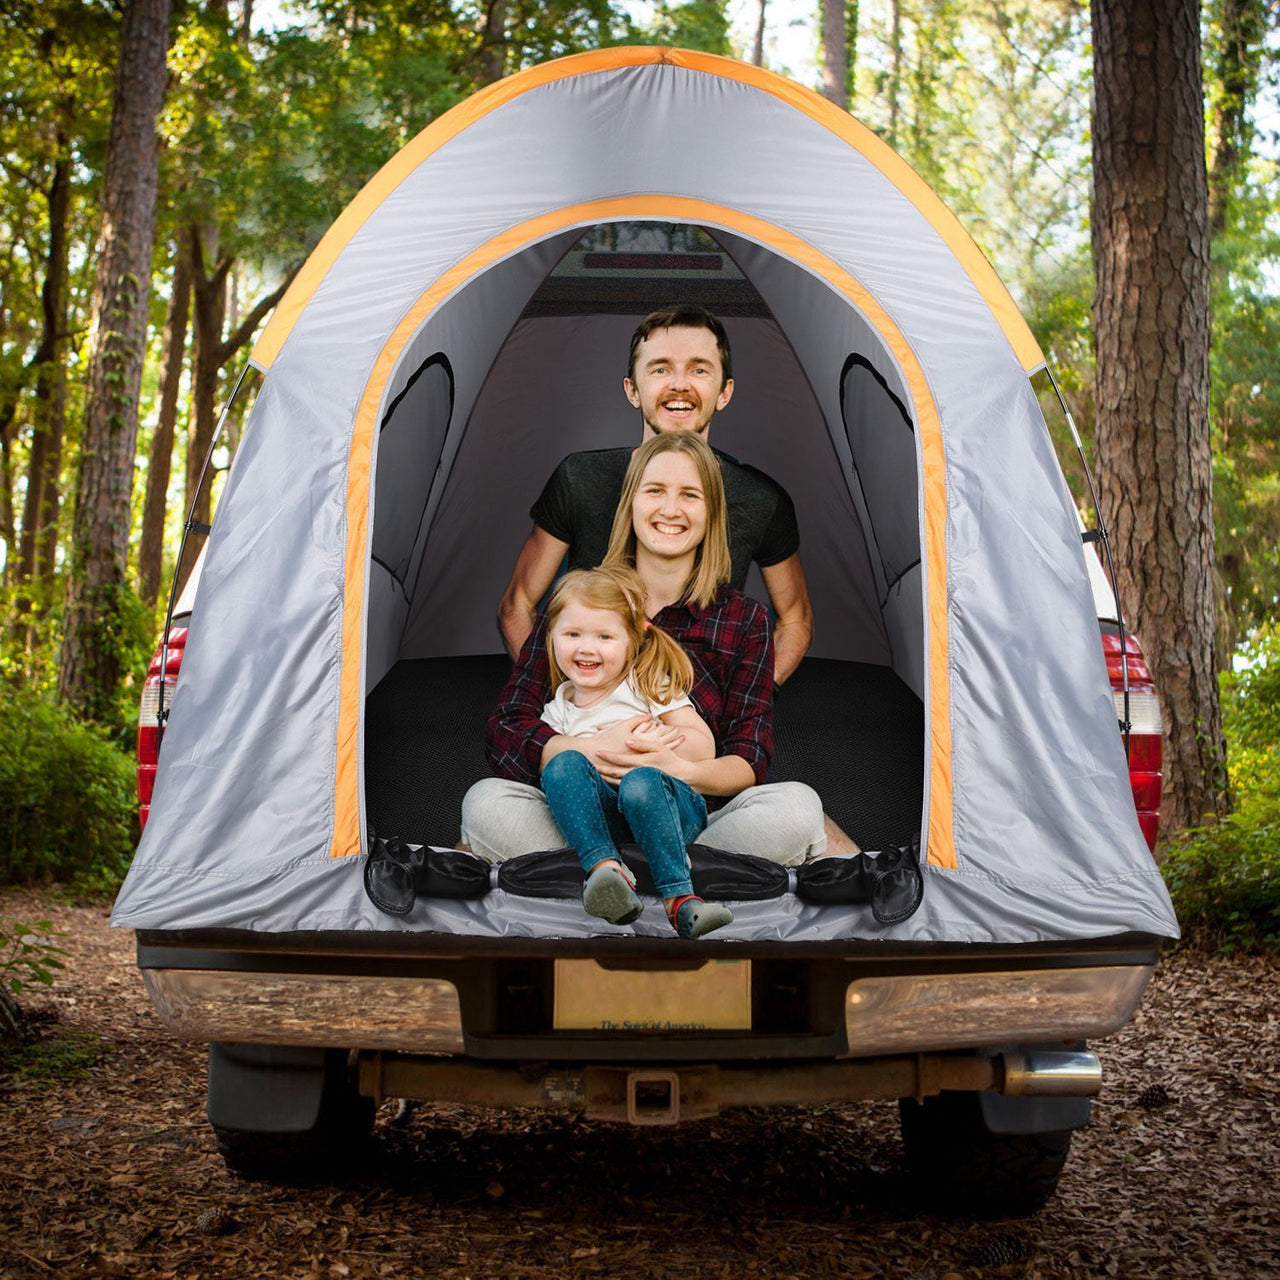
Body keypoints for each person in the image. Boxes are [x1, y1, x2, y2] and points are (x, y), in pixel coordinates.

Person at [462, 431, 826, 873]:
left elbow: (749, 760)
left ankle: (617, 878)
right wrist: (584, 750)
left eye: (689, 495)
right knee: (485, 803)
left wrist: (676, 767)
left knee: (798, 809)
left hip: (694, 824)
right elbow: (505, 728)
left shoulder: (744, 620)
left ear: (711, 513)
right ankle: (638, 876)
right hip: (580, 815)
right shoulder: (581, 598)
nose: (670, 510)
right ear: (629, 504)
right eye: (654, 491)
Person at [497, 305, 814, 686]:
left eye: (699, 369)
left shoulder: (761, 498)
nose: (679, 384)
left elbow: (796, 619)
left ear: (724, 392)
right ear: (633, 390)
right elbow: (517, 605)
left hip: (698, 718)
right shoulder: (579, 477)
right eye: (661, 368)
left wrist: (742, 706)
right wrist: (564, 701)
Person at [538, 564, 734, 938]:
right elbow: (566, 787)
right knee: (560, 765)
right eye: (572, 633)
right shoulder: (557, 709)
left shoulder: (645, 684)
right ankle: (607, 873)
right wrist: (585, 753)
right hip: (610, 817)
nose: (586, 647)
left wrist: (658, 749)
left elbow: (703, 745)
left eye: (605, 637)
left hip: (668, 806)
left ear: (633, 641)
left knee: (641, 782)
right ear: (551, 637)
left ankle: (682, 900)